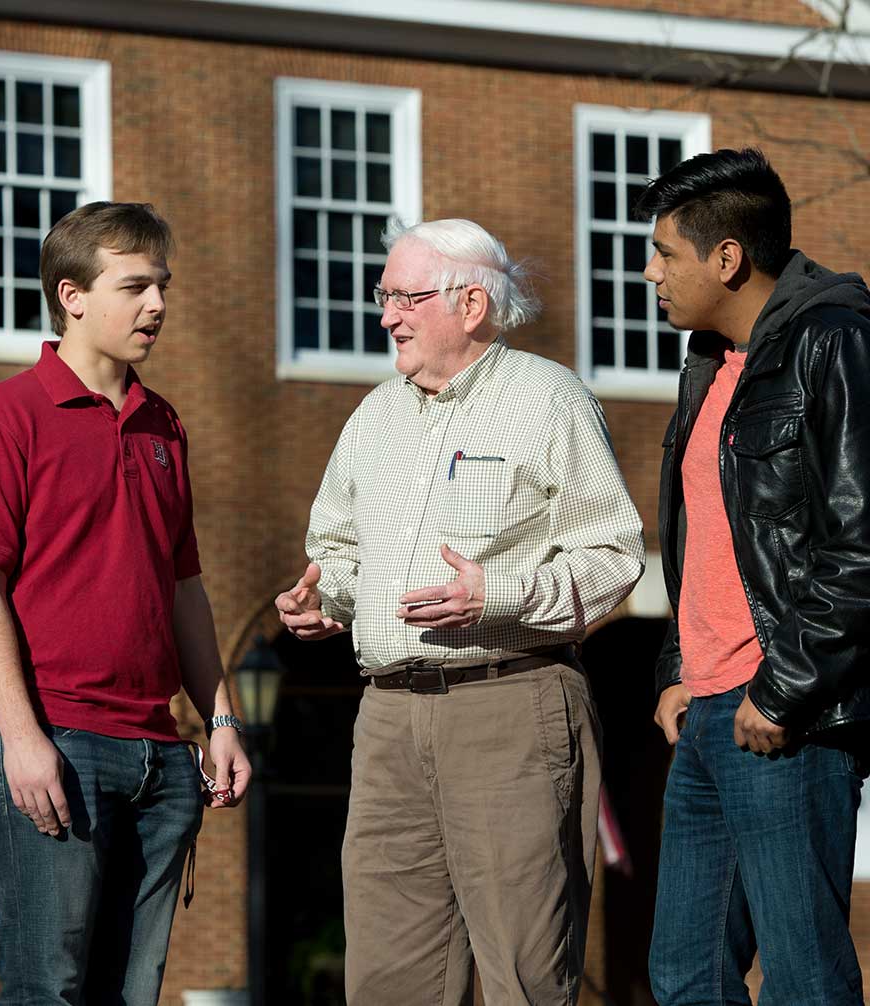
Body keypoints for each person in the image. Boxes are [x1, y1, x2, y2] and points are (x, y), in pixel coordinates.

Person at [276, 218, 644, 1005]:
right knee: (386, 982)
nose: (386, 316)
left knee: (524, 975)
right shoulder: (374, 417)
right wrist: (326, 598)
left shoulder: (550, 399)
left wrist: (498, 595)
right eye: (383, 296)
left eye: (405, 297)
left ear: (471, 303)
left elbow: (614, 558)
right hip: (386, 724)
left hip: (511, 707)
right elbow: (336, 544)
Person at [0, 201, 250, 1005]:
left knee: (132, 993)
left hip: (160, 754)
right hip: (55, 740)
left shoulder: (164, 426)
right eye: (136, 286)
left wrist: (220, 719)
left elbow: (184, 587)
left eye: (163, 286)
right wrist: (18, 736)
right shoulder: (5, 416)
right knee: (47, 989)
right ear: (72, 296)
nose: (158, 305)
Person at [641, 148, 870, 1005]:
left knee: (804, 979)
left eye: (666, 251)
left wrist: (785, 692)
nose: (652, 270)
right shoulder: (709, 364)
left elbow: (860, 546)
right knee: (684, 971)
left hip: (785, 720)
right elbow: (708, 535)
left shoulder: (836, 341)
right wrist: (675, 668)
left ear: (727, 257)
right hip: (706, 713)